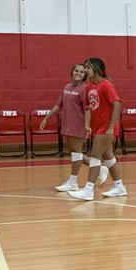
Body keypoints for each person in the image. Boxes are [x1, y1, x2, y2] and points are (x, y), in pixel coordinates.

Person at [68, 57, 127, 201]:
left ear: (96, 69)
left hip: (107, 126)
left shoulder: (106, 85)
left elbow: (117, 105)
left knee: (94, 156)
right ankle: (119, 186)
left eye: (88, 67)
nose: (85, 70)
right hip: (97, 126)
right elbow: (89, 108)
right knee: (108, 157)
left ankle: (88, 190)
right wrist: (87, 124)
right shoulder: (89, 87)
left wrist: (111, 127)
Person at [42, 62, 91, 192]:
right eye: (76, 71)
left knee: (76, 153)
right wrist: (47, 117)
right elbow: (59, 105)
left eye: (82, 72)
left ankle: (73, 182)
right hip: (67, 124)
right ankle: (99, 167)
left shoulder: (84, 89)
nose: (78, 73)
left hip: (78, 125)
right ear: (72, 72)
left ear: (85, 75)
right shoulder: (67, 87)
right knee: (75, 152)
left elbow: (87, 109)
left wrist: (87, 124)